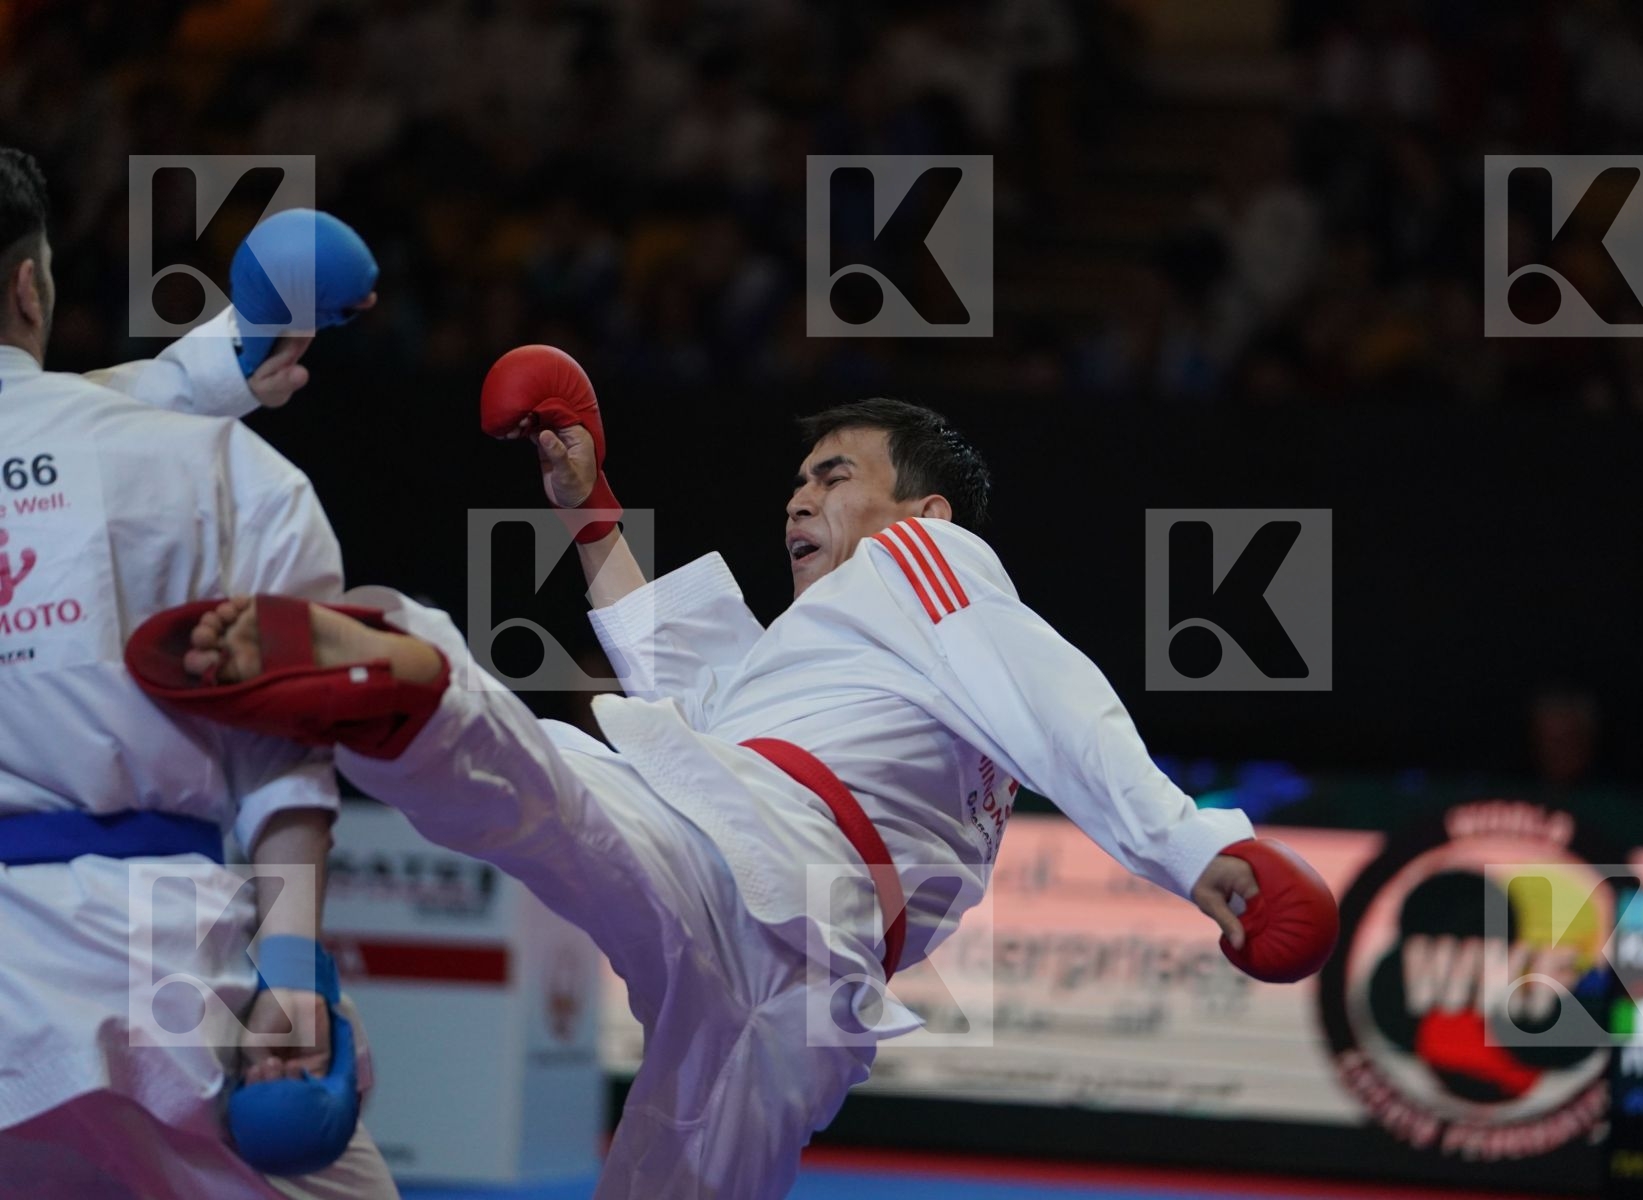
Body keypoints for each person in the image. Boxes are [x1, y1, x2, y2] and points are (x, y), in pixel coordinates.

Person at [137, 349, 1336, 1199]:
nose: (797, 496)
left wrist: (1196, 846)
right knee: (555, 787)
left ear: (919, 509)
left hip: (812, 966)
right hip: (758, 853)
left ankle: (409, 691)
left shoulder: (933, 559)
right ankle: (395, 672)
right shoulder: (815, 657)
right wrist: (588, 507)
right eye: (798, 479)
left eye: (833, 477)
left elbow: (1058, 705)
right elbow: (687, 679)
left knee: (554, 809)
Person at [0, 146, 395, 1200]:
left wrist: (227, 357)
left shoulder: (170, 435)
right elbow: (284, 750)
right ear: (30, 286)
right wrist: (296, 973)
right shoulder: (214, 472)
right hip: (154, 981)